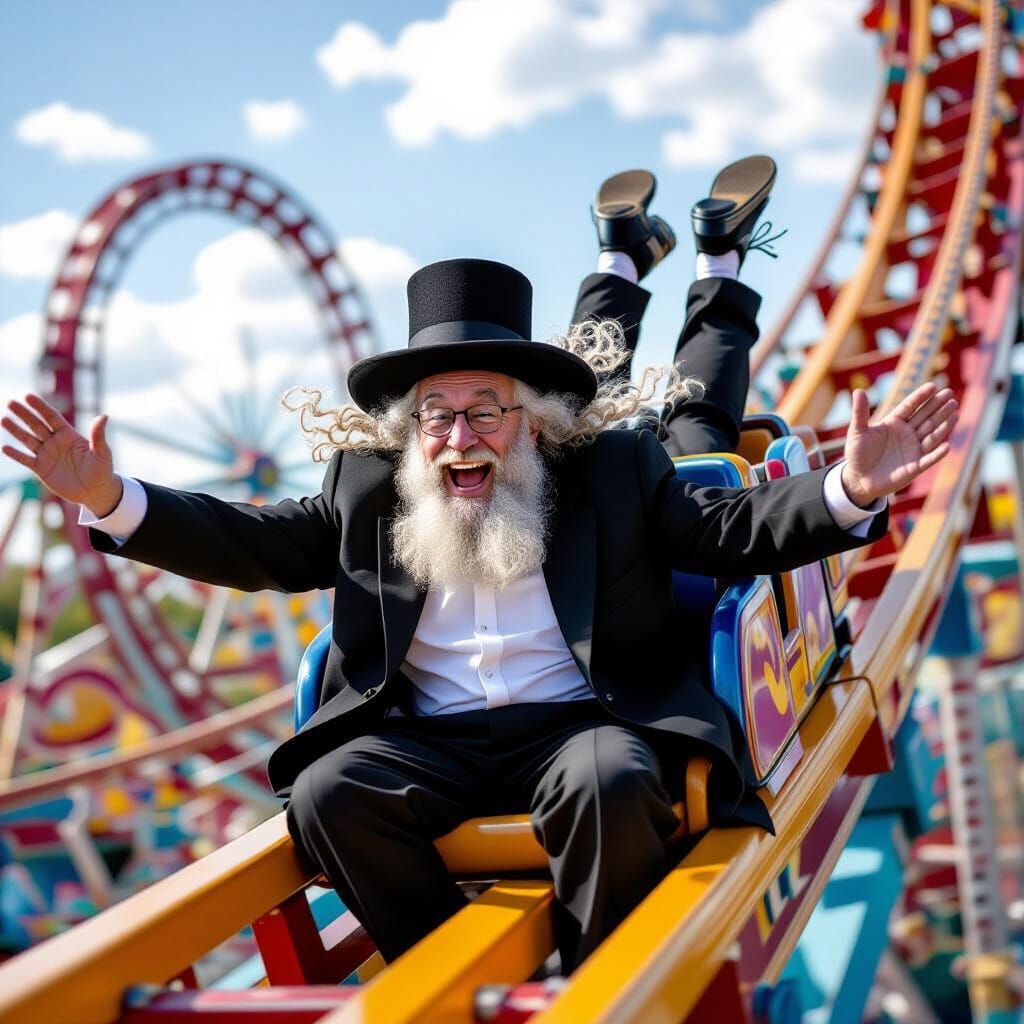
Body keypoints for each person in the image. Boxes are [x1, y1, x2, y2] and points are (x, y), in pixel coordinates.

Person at [0, 159, 958, 972]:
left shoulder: (608, 465)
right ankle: (446, 969)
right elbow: (255, 544)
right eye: (435, 416)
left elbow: (726, 529)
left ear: (533, 422)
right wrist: (110, 498)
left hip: (579, 725)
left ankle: (710, 258)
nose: (458, 437)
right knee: (329, 790)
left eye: (486, 412)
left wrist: (850, 488)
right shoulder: (374, 485)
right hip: (432, 745)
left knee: (691, 411)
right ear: (411, 426)